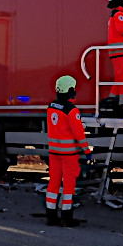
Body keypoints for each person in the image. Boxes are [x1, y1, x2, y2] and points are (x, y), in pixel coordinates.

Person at [46, 75, 93, 227]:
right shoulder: (72, 111)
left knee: (53, 184)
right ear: (70, 90)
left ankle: (51, 217)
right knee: (69, 186)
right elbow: (79, 134)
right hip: (69, 154)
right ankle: (67, 217)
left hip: (54, 153)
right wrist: (87, 151)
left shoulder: (51, 106)